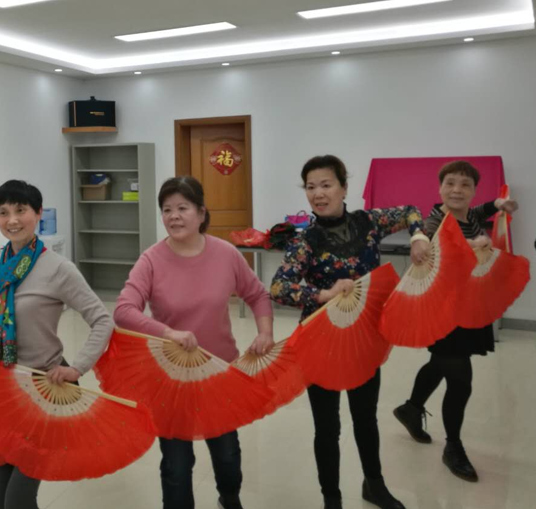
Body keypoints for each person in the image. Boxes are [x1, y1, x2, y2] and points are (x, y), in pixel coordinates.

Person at [0, 180, 114, 509]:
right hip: (3, 389)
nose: (12, 220)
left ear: (38, 213)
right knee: (0, 500)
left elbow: (102, 320)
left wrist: (77, 367)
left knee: (18, 499)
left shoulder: (58, 268)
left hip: (46, 389)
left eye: (21, 210)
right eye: (3, 212)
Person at [270, 155, 429, 509]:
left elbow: (410, 211)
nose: (318, 194)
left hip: (363, 339)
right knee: (327, 428)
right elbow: (278, 288)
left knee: (365, 418)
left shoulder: (368, 223)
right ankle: (332, 498)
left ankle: (374, 485)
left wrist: (418, 235)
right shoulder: (305, 241)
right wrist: (322, 294)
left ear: (344, 187)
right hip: (321, 342)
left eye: (326, 185)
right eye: (311, 187)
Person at [114, 176, 275, 509]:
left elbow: (257, 294)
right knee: (176, 465)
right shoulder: (151, 260)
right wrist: (168, 333)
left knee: (227, 456)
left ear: (201, 213)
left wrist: (265, 332)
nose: (174, 216)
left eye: (182, 208)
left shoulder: (226, 254)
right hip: (171, 378)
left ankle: (228, 498)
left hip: (219, 373)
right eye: (167, 209)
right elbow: (123, 311)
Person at [393, 160, 519, 482]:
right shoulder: (436, 222)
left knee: (440, 363)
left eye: (465, 184)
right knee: (461, 380)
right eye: (450, 183)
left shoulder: (471, 216)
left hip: (470, 306)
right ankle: (454, 447)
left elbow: (482, 210)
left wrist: (499, 204)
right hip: (445, 312)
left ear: (474, 190)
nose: (457, 190)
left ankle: (410, 409)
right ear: (440, 189)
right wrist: (426, 242)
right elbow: (427, 240)